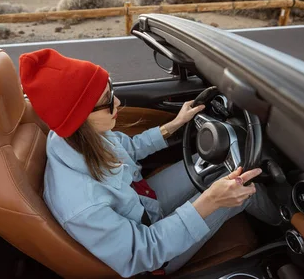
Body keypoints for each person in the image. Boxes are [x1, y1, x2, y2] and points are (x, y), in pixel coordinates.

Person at [19, 48, 281, 278]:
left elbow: (128, 148)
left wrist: (174, 125)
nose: (118, 102)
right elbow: (145, 252)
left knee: (218, 163)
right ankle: (287, 225)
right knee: (241, 187)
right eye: (108, 101)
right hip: (157, 254)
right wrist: (211, 201)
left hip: (143, 200)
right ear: (79, 119)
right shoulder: (82, 205)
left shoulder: (73, 136)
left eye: (112, 91)